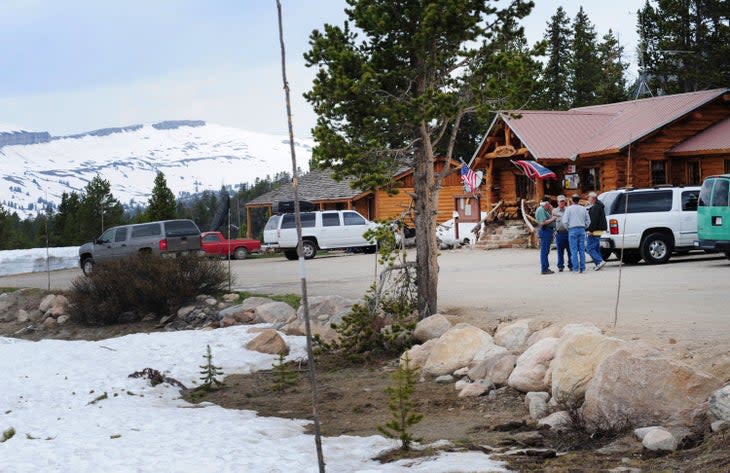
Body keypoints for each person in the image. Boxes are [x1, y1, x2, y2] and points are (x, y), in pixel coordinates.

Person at [562, 193, 590, 273]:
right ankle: (583, 268)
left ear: (571, 200)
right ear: (579, 200)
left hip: (572, 229)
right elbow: (588, 220)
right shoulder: (583, 208)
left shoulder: (568, 209)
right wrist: (585, 227)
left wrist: (568, 228)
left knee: (573, 250)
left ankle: (576, 268)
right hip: (581, 229)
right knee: (581, 250)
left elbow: (565, 221)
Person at [535, 195, 557, 274]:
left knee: (546, 250)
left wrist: (551, 210)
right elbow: (542, 222)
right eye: (549, 203)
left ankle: (546, 267)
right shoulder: (541, 210)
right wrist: (552, 219)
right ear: (546, 203)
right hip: (545, 231)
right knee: (544, 251)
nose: (550, 205)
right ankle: (544, 268)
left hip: (548, 231)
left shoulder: (545, 209)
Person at [586, 191, 607, 271]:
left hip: (595, 230)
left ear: (593, 198)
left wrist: (590, 230)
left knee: (590, 248)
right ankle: (598, 263)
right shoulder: (597, 205)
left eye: (589, 197)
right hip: (599, 229)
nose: (588, 199)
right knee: (596, 248)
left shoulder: (596, 207)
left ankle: (600, 261)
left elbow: (593, 221)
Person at [552, 195, 572, 272]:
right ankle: (560, 266)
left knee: (570, 251)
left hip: (568, 232)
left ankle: (571, 265)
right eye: (560, 201)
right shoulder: (554, 211)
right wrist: (554, 232)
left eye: (563, 201)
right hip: (559, 233)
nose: (562, 203)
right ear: (558, 202)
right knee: (560, 251)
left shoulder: (568, 210)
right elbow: (553, 222)